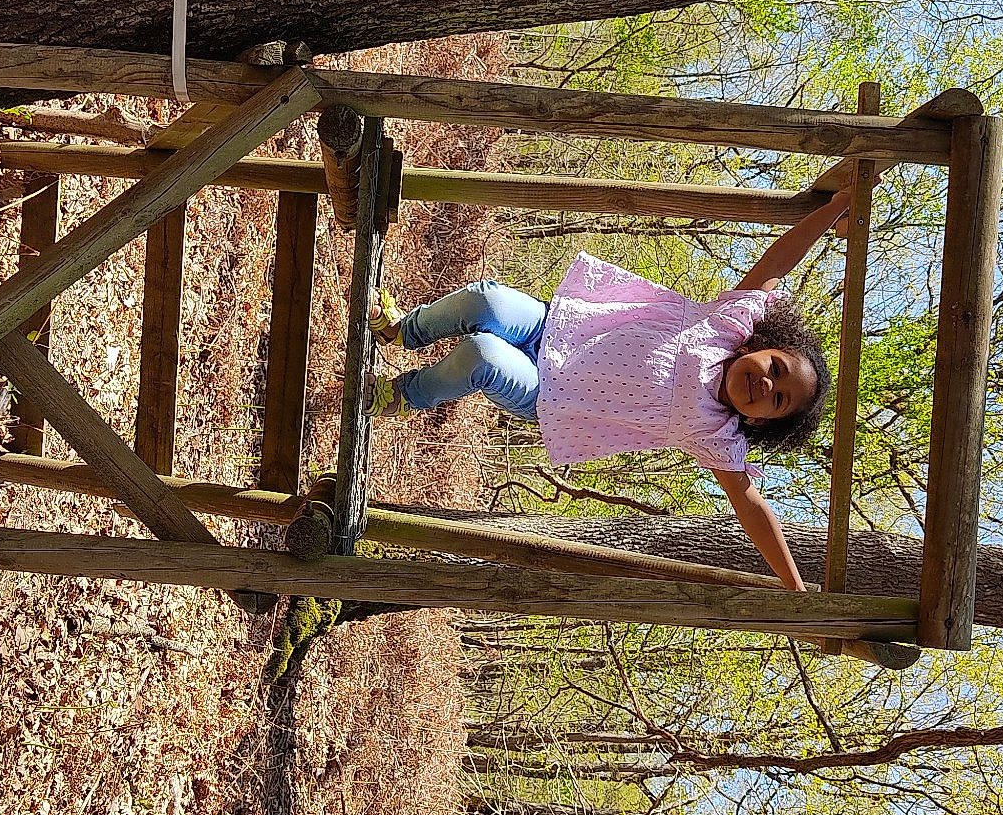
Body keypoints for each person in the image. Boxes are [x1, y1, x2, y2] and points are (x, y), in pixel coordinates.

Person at [366, 189, 853, 592]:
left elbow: (752, 507)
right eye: (775, 367)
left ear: (762, 420)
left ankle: (400, 395)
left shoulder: (715, 433)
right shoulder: (727, 323)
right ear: (763, 345)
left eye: (778, 398)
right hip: (557, 326)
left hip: (549, 397)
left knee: (483, 356)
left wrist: (795, 586)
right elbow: (778, 261)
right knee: (486, 299)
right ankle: (401, 330)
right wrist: (834, 209)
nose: (766, 382)